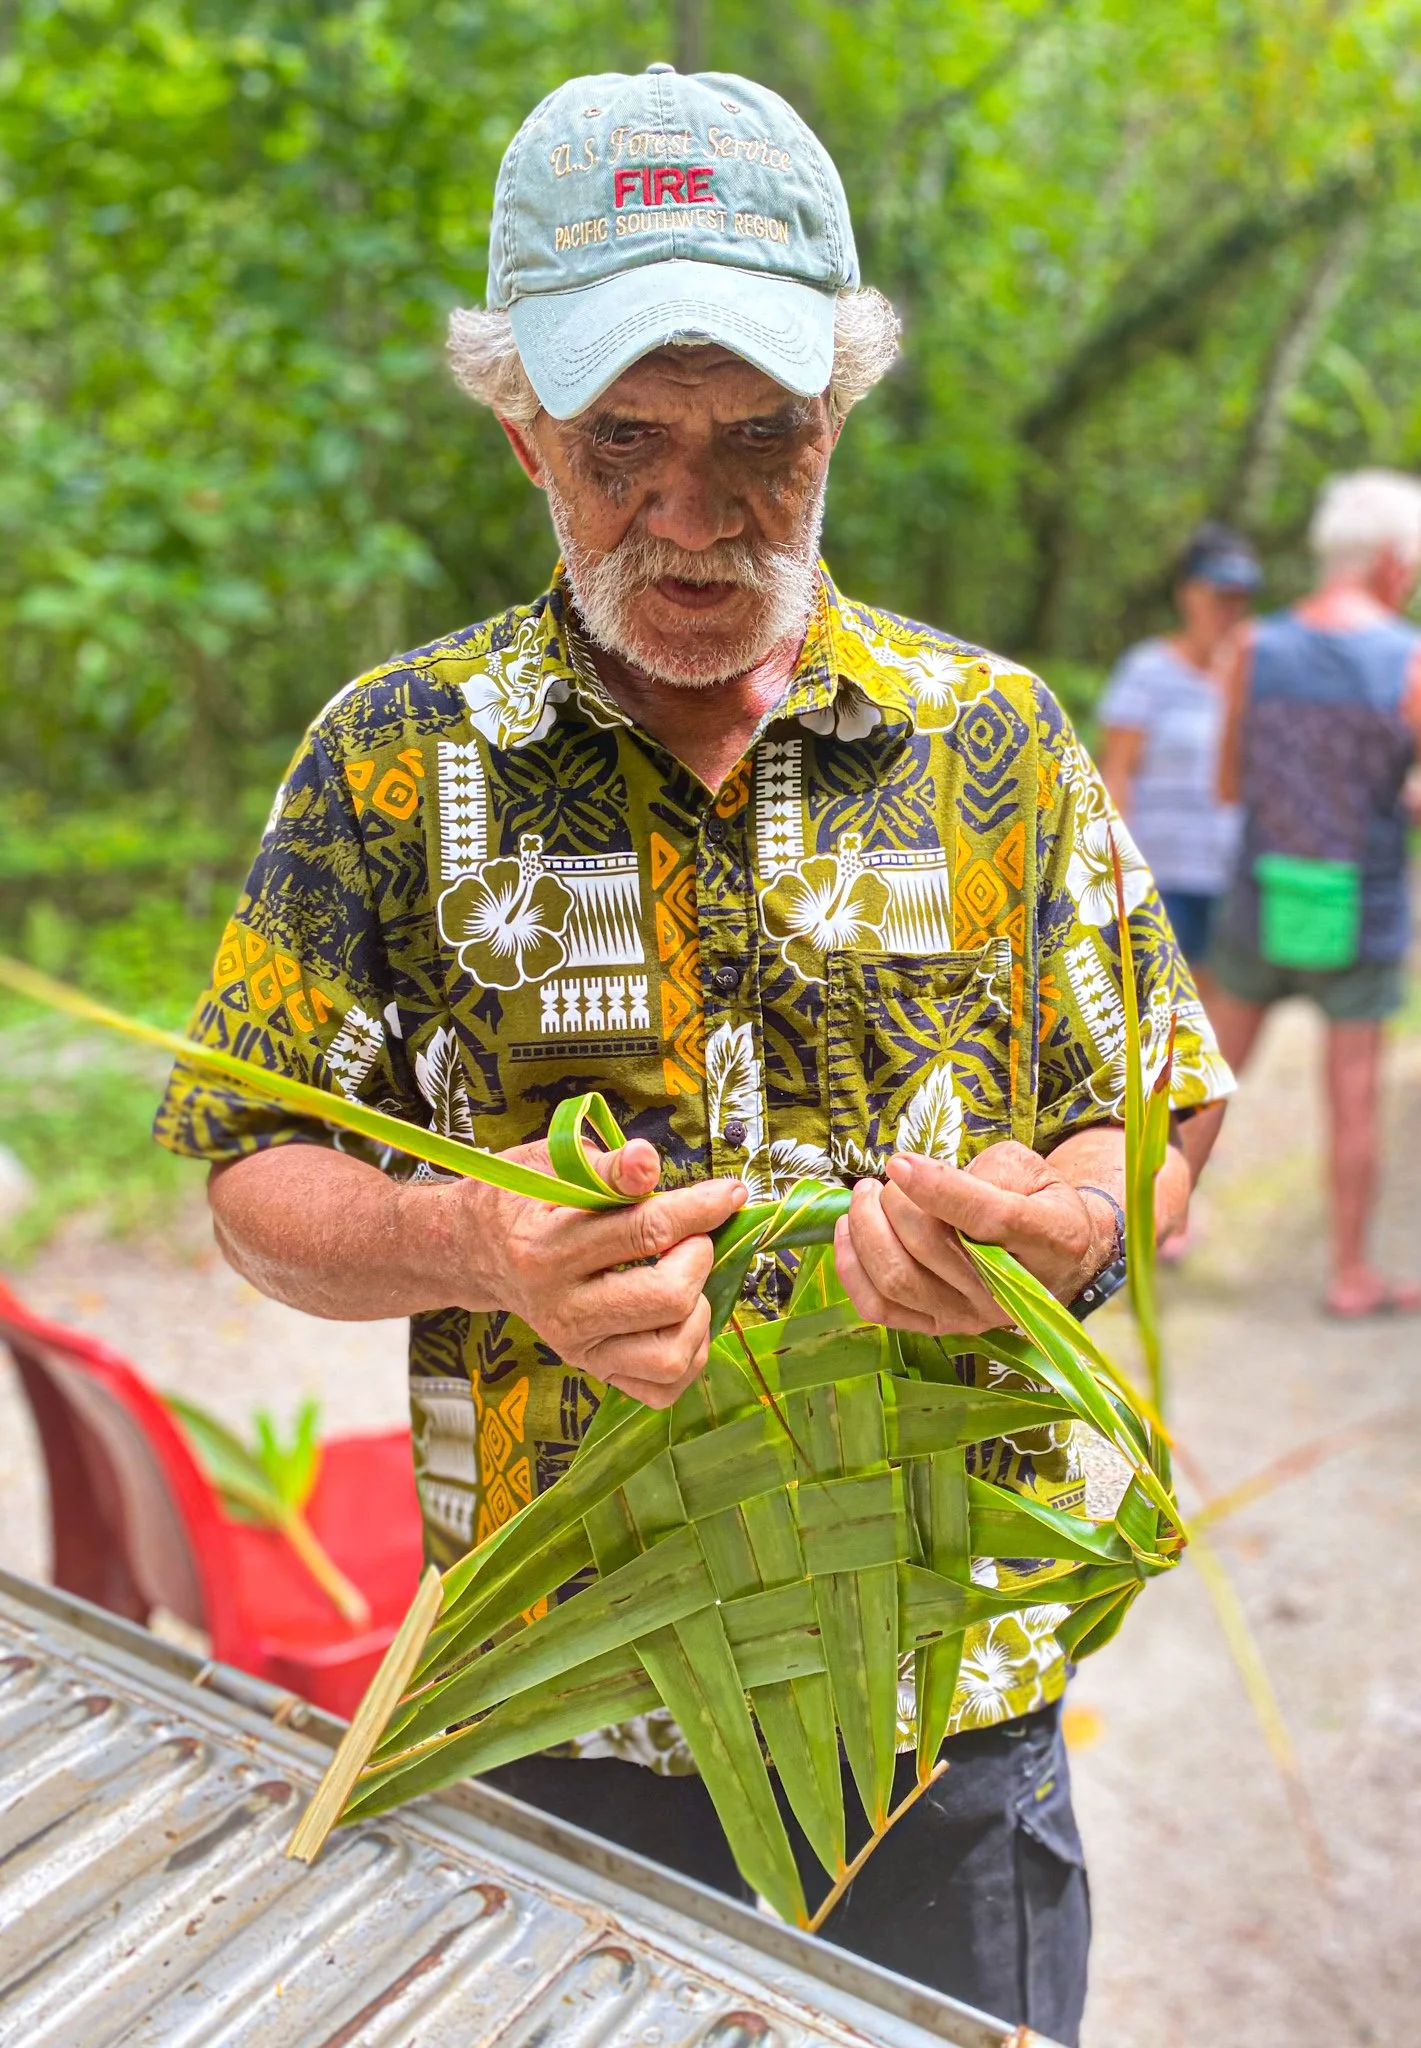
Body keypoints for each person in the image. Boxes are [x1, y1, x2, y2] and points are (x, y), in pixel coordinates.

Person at [154, 65, 1232, 2044]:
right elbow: (246, 1171)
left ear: (839, 414)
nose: (688, 512)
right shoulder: (395, 760)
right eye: (617, 440)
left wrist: (1053, 1236)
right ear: (515, 431)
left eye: (761, 442)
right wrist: (487, 1251)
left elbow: (1135, 1107)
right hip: (557, 1701)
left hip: (937, 1732)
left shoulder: (989, 741)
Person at [1213, 469, 1421, 1320]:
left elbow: (1227, 783)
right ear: (1386, 563)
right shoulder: (1411, 659)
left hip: (1262, 898)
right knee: (1354, 1092)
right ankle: (1347, 1273)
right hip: (1360, 910)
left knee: (1200, 1081)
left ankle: (1145, 1233)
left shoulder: (1254, 649)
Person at [1098, 521, 1261, 998]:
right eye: (1220, 596)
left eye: (1240, 598)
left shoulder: (1257, 674)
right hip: (1160, 875)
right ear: (1188, 595)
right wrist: (1114, 869)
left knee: (1210, 1018)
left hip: (1228, 875)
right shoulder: (1146, 670)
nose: (1231, 610)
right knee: (1150, 1005)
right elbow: (1117, 771)